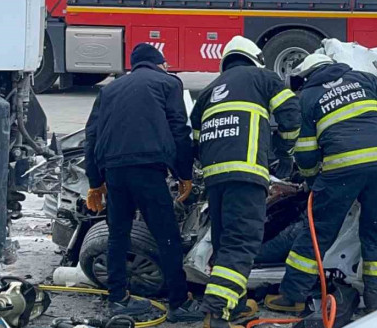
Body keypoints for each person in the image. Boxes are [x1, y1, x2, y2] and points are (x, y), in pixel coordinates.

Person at [265, 54, 377, 314]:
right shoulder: (366, 79)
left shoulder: (307, 98)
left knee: (317, 233)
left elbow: (306, 153)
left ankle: (292, 295)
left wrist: (311, 181)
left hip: (342, 170)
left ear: (307, 76)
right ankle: (376, 301)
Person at [84, 44, 203, 321]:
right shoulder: (168, 83)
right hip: (148, 170)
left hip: (114, 171)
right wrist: (184, 173)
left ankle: (118, 299)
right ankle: (178, 304)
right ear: (160, 63)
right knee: (168, 236)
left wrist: (95, 181)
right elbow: (178, 129)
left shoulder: (109, 90)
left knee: (118, 235)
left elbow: (92, 135)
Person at [190, 36, 301, 328]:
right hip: (248, 175)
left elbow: (196, 139)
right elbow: (291, 115)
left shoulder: (208, 91)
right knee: (242, 243)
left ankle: (235, 305)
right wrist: (283, 149)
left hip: (215, 180)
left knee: (226, 243)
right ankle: (217, 311)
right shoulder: (262, 77)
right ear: (256, 59)